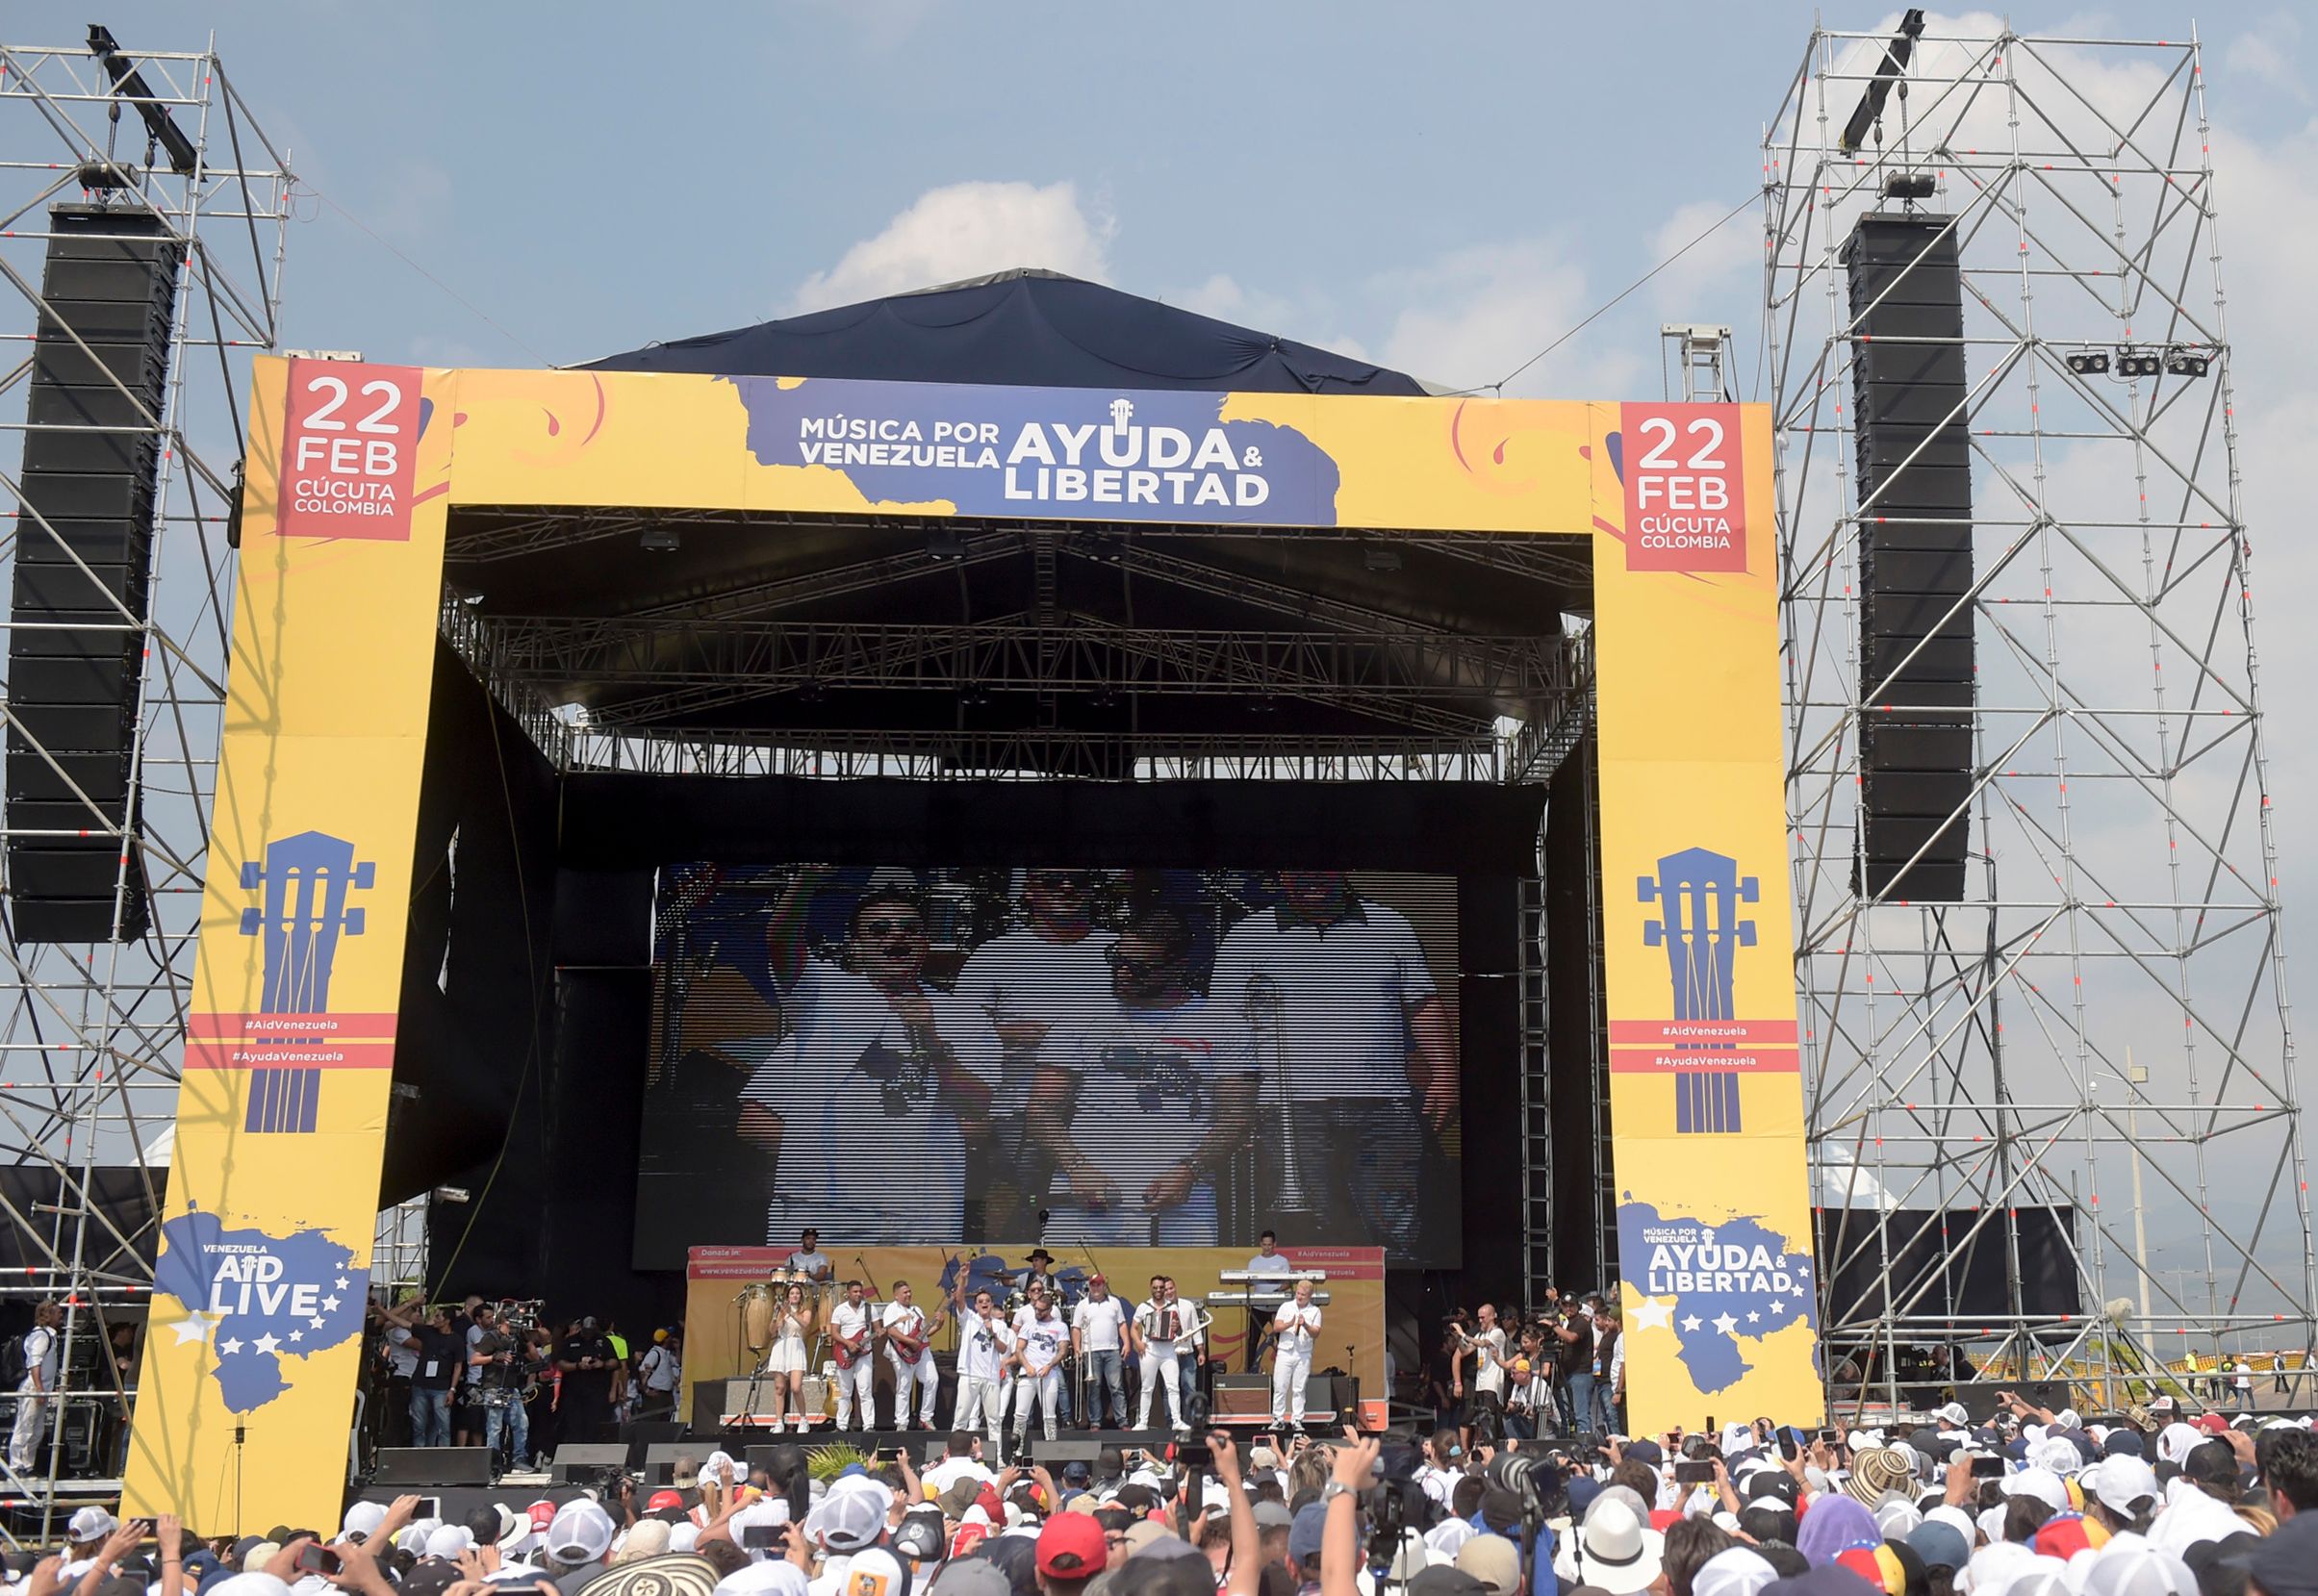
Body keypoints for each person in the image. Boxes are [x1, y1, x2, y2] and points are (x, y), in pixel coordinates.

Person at [735, 873, 1002, 1244]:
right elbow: (781, 941)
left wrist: (932, 1039)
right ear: (856, 946)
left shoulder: (965, 1016)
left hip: (922, 1211)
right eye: (879, 929)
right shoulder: (824, 995)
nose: (896, 936)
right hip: (820, 1206)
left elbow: (976, 1106)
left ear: (925, 943)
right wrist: (808, 876)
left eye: (910, 929)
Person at [1210, 871, 1455, 1256]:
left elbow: (1422, 1005)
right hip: (1290, 1114)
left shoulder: (1390, 924)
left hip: (1384, 1109)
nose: (1311, 879)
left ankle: (1393, 1314)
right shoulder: (1246, 935)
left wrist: (1445, 1075)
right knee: (1308, 1232)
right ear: (1280, 875)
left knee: (1396, 1228)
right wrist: (1234, 1111)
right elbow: (1226, 1030)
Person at [1031, 907, 1260, 1246]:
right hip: (1084, 1202)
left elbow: (1237, 1115)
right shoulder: (1081, 1018)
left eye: (1138, 968)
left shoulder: (1222, 1023)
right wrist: (1076, 1167)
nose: (1122, 972)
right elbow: (1040, 1111)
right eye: (1116, 959)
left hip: (1180, 1205)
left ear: (1177, 967)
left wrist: (1189, 1170)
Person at [955, 869, 1118, 1235]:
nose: (1066, 889)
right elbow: (955, 1032)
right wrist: (1005, 1033)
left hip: (1101, 1118)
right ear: (1028, 891)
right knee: (1009, 1220)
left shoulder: (1117, 950)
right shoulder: (995, 954)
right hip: (1014, 1113)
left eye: (1078, 883)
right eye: (1052, 881)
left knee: (1094, 1223)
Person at [470, 1306, 534, 1473]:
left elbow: (534, 1357)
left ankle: (519, 1459)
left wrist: (527, 1339)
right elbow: (474, 1360)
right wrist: (493, 1357)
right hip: (494, 1387)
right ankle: (493, 1462)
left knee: (521, 1423)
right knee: (495, 1427)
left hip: (512, 1388)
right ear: (505, 1321)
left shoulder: (516, 1338)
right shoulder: (491, 1337)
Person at [953, 1286, 1014, 1458]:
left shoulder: (1000, 1325)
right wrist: (964, 1278)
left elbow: (1003, 1349)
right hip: (969, 1374)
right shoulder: (969, 1319)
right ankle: (953, 1455)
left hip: (990, 1376)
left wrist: (992, 1333)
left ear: (992, 1304)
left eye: (987, 1301)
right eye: (980, 1302)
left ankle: (997, 1457)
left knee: (994, 1420)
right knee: (961, 1417)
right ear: (976, 1306)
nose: (984, 1304)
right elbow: (959, 1299)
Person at [881, 1279, 944, 1431]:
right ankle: (902, 1423)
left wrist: (939, 1325)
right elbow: (891, 1331)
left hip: (921, 1351)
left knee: (932, 1380)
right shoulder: (892, 1309)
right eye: (905, 1292)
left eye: (909, 1291)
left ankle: (926, 1417)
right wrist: (910, 1341)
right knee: (904, 1386)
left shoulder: (917, 1310)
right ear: (896, 1295)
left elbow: (923, 1334)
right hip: (902, 1352)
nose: (908, 1294)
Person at [1012, 1282, 1069, 1446]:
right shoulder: (1028, 1325)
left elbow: (1062, 1351)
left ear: (1050, 1310)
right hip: (1027, 1374)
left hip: (1048, 1374)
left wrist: (1049, 1366)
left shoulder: (1060, 1326)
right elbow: (1019, 1349)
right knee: (1020, 1414)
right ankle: (1018, 1448)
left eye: (1041, 1310)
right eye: (1036, 1309)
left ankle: (1050, 1448)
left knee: (1049, 1415)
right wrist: (1028, 1366)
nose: (1038, 1312)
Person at [8, 1301, 61, 1474]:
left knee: (37, 1429)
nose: (60, 1316)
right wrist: (39, 1389)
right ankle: (16, 1465)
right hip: (34, 1388)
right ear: (48, 1315)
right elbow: (34, 1363)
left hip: (43, 1387)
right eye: (57, 1313)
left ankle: (28, 1464)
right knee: (25, 1426)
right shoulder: (40, 1336)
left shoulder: (49, 1336)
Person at [1071, 1274, 1129, 1429]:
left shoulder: (1114, 1302)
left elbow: (1122, 1324)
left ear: (1104, 1286)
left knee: (1116, 1386)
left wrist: (1127, 1343)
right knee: (1093, 1388)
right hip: (1091, 1351)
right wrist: (1077, 1348)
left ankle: (1122, 1420)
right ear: (1089, 1286)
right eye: (1093, 1285)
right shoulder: (1082, 1305)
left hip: (1112, 1350)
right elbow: (1076, 1328)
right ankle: (1095, 1421)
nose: (1096, 1288)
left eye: (1099, 1284)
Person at [1132, 1274, 1187, 1433]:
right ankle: (1143, 1422)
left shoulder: (1172, 1307)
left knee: (1173, 1386)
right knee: (1147, 1388)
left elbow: (1179, 1331)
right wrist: (1138, 1343)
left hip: (1168, 1350)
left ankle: (1177, 1420)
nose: (1158, 1290)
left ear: (1165, 1289)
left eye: (1161, 1288)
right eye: (1155, 1287)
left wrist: (1176, 1327)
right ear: (1151, 1288)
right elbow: (1133, 1327)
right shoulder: (1144, 1307)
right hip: (1149, 1350)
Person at [554, 1314, 619, 1443]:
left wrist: (602, 1364)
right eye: (585, 1331)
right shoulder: (570, 1341)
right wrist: (577, 1365)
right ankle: (574, 1452)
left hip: (597, 1391)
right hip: (573, 1391)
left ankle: (590, 1453)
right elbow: (560, 1364)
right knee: (574, 1424)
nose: (588, 1334)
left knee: (594, 1423)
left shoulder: (604, 1341)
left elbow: (615, 1363)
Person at [409, 1303, 466, 1447]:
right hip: (420, 1384)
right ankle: (419, 1456)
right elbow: (405, 1324)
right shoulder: (428, 1332)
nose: (435, 1319)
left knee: (443, 1426)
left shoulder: (457, 1340)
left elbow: (458, 1365)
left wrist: (452, 1389)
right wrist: (383, 1311)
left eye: (438, 1316)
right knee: (419, 1425)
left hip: (441, 1388)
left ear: (447, 1321)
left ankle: (442, 1458)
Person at [1269, 1278, 1321, 1434]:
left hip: (1303, 1352)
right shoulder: (1286, 1306)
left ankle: (1297, 1419)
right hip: (1285, 1350)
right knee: (1280, 1385)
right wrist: (1289, 1324)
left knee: (1299, 1387)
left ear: (1309, 1296)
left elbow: (1316, 1332)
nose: (1299, 1297)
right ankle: (1278, 1419)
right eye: (1298, 1293)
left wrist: (1305, 1324)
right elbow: (1276, 1326)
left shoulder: (1315, 1311)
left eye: (1303, 1295)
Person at [1452, 1302, 1507, 1447]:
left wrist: (1464, 1333)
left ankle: (1493, 1446)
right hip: (1480, 1382)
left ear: (1492, 1317)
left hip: (1492, 1382)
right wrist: (1458, 1337)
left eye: (1483, 1318)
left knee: (1490, 1417)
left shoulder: (1498, 1332)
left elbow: (1483, 1344)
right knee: (1481, 1418)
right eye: (1479, 1318)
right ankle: (1483, 1446)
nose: (1480, 1321)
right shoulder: (1480, 1333)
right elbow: (1465, 1351)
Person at [762, 1282, 816, 1431]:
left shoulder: (805, 1311)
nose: (794, 1296)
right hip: (781, 1346)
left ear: (801, 1297)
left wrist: (790, 1313)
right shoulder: (781, 1312)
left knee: (796, 1387)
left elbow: (805, 1325)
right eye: (792, 1293)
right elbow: (772, 1332)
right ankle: (779, 1421)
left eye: (797, 1294)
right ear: (787, 1296)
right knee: (779, 1388)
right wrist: (776, 1316)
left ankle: (803, 1419)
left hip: (796, 1345)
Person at [828, 1280, 879, 1431]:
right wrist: (848, 1343)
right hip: (845, 1353)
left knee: (865, 1390)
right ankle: (841, 1425)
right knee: (844, 1391)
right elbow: (834, 1332)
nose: (858, 1294)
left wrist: (877, 1334)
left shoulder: (870, 1309)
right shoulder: (839, 1310)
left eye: (860, 1292)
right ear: (848, 1293)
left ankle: (868, 1424)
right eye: (855, 1292)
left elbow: (877, 1330)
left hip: (864, 1354)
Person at [636, 1328, 682, 1422]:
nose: (671, 1338)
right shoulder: (654, 1354)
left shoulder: (666, 1354)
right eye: (669, 1337)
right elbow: (642, 1371)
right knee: (654, 1422)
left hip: (667, 1395)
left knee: (665, 1422)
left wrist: (677, 1348)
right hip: (656, 1396)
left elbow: (678, 1362)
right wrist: (646, 1390)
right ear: (665, 1340)